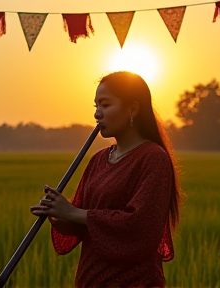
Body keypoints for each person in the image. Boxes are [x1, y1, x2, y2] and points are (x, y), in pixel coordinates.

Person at [30, 71, 182, 288]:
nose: (97, 114)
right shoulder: (99, 159)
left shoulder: (153, 158)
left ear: (132, 109)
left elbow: (140, 226)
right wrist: (58, 214)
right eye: (96, 106)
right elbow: (82, 224)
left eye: (106, 105)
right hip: (90, 279)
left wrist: (73, 212)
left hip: (134, 282)